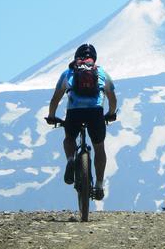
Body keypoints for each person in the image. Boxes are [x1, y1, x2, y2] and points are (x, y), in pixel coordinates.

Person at [46, 43, 117, 200]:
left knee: (69, 138)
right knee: (99, 148)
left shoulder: (68, 73)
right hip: (96, 112)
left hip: (74, 112)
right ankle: (98, 185)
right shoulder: (101, 73)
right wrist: (111, 113)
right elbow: (112, 97)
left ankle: (71, 160)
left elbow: (55, 98)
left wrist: (51, 116)